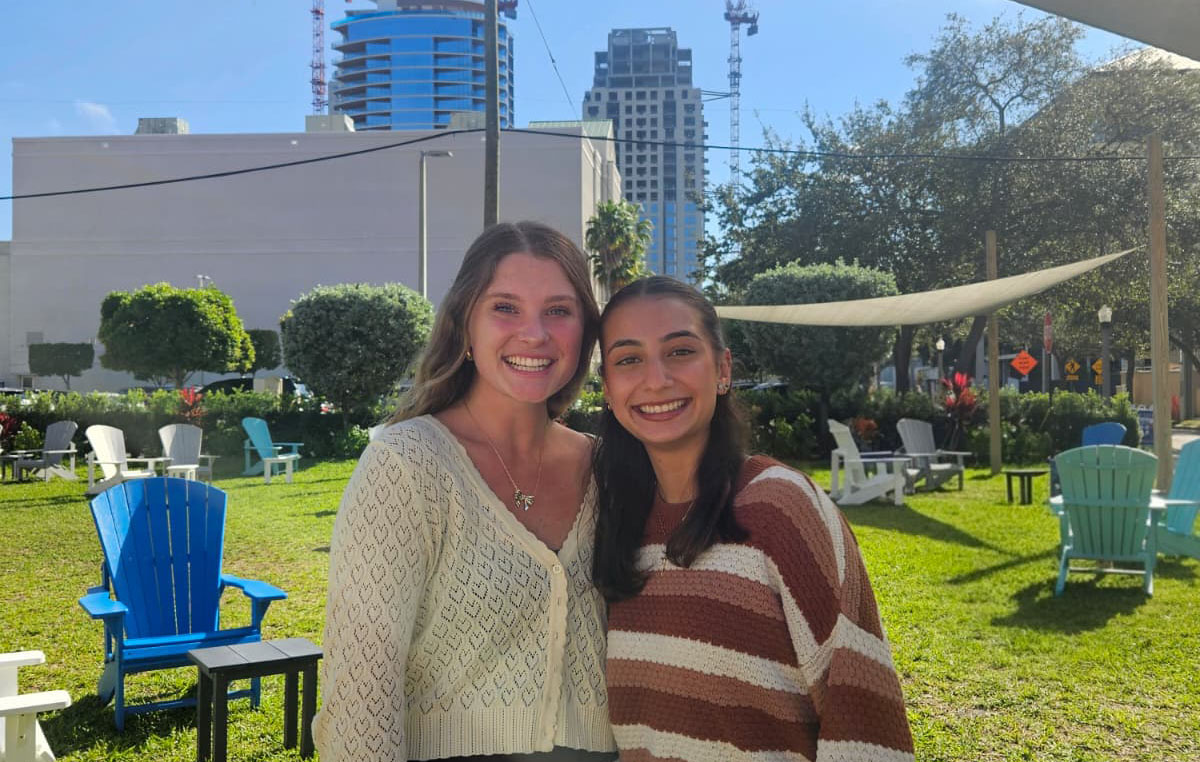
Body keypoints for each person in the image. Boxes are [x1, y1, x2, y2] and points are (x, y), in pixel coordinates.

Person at [313, 221, 617, 762]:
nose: (535, 334)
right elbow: (359, 692)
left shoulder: (606, 467)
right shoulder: (407, 464)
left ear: (584, 333)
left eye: (558, 310)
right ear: (465, 326)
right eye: (505, 307)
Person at [591, 276, 915, 762]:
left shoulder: (780, 507)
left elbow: (863, 714)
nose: (655, 379)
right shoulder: (615, 520)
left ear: (722, 370)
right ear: (608, 389)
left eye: (680, 351)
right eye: (628, 359)